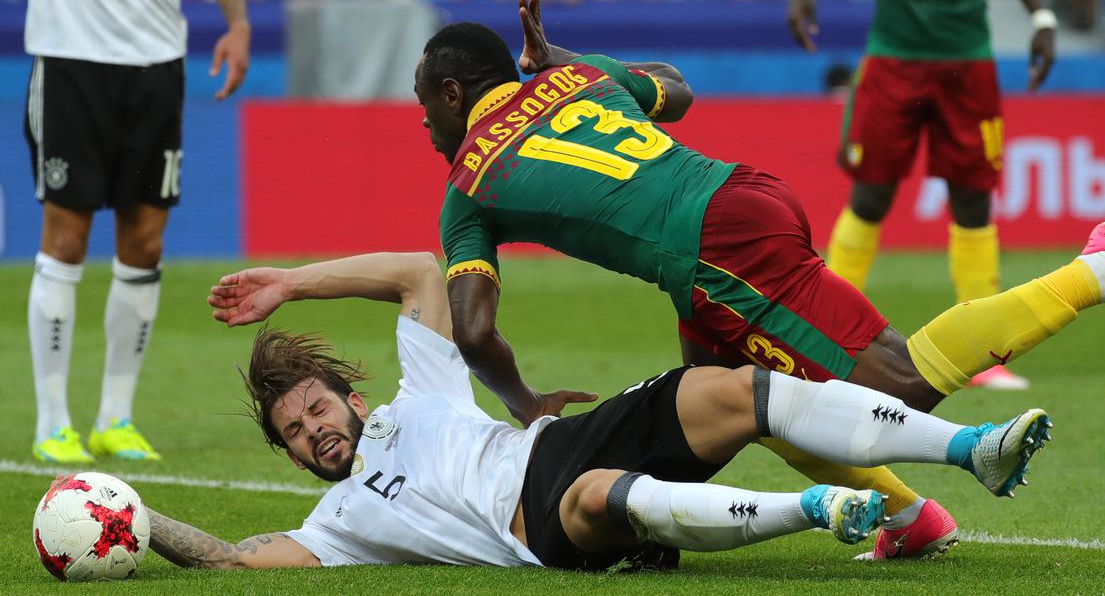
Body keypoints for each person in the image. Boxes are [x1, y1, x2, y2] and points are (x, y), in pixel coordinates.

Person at [415, 0, 1105, 559]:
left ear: (455, 94)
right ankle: (908, 518)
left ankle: (1101, 268)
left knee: (896, 388)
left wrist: (526, 405)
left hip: (712, 251)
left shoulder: (466, 188)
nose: (425, 126)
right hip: (738, 196)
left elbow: (474, 329)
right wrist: (563, 58)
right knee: (735, 404)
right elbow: (677, 90)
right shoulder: (573, 79)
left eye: (427, 108)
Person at [123, 252, 1050, 574]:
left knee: (735, 387)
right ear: (292, 459)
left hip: (565, 438)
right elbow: (233, 559)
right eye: (295, 433)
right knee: (611, 499)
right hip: (544, 522)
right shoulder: (339, 525)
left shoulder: (423, 394)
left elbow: (415, 271)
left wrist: (291, 283)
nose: (313, 431)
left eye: (316, 409)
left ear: (351, 400)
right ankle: (816, 510)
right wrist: (132, 519)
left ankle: (972, 450)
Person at [787, 0, 1059, 395]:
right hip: (894, 55)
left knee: (973, 197)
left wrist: (1041, 15)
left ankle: (985, 354)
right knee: (871, 194)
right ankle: (823, 334)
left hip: (967, 56)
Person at [24, 0, 250, 464]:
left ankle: (115, 419)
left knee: (145, 242)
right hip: (69, 56)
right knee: (66, 237)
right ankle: (53, 424)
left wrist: (238, 24)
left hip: (155, 64)